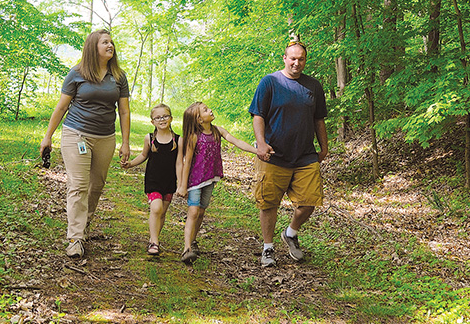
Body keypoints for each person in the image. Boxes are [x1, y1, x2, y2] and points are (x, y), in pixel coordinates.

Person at [41, 29, 131, 259]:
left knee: (96, 185)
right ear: (93, 46)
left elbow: (124, 111)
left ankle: (83, 225)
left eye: (111, 42)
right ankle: (75, 238)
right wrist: (48, 136)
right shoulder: (77, 73)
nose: (110, 45)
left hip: (105, 137)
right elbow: (61, 107)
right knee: (79, 185)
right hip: (76, 134)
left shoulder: (119, 77)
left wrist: (126, 143)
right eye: (105, 42)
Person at [249, 41, 328, 267]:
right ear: (284, 58)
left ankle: (291, 233)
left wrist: (324, 146)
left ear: (305, 60)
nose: (296, 63)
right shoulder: (270, 82)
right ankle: (268, 248)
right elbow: (258, 115)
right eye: (292, 58)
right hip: (274, 155)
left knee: (310, 201)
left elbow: (318, 118)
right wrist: (262, 144)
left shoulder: (313, 86)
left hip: (305, 155)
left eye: (301, 59)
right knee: (268, 203)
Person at [177, 101, 258, 265]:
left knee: (200, 212)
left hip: (210, 179)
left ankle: (192, 241)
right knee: (193, 212)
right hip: (194, 181)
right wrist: (183, 185)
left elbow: (236, 142)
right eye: (206, 110)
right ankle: (186, 249)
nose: (210, 109)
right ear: (199, 120)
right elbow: (187, 162)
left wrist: (258, 151)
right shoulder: (194, 137)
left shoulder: (217, 131)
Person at [122, 104, 183, 256]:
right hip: (153, 180)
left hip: (169, 182)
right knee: (156, 209)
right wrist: (130, 164)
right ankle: (154, 242)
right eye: (158, 117)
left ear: (171, 118)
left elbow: (179, 163)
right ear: (152, 122)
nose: (162, 119)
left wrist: (181, 184)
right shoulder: (149, 138)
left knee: (162, 213)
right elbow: (143, 155)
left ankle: (153, 237)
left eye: (165, 116)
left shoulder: (178, 140)